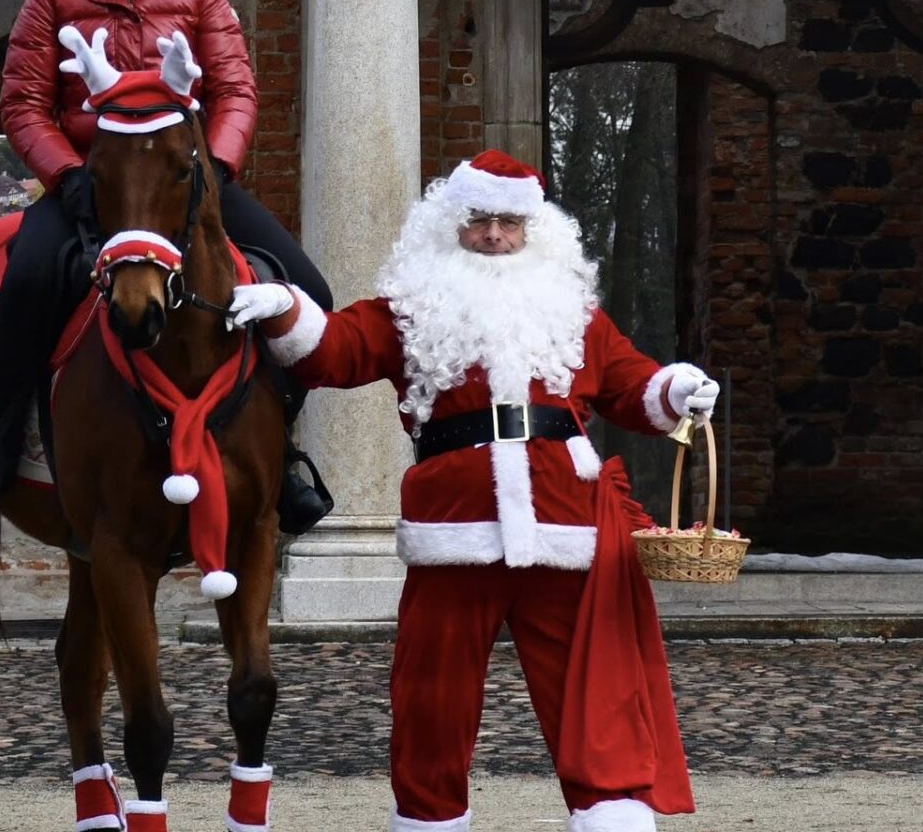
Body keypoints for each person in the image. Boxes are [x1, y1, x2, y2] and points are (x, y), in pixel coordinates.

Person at [227, 150, 716, 832]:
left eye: (510, 223)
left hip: (565, 527)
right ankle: (430, 818)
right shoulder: (410, 308)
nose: (494, 236)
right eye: (480, 219)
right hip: (454, 529)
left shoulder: (575, 312)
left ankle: (610, 814)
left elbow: (632, 384)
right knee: (432, 696)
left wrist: (677, 388)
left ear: (534, 230)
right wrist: (285, 308)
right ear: (449, 222)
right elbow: (335, 351)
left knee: (594, 687)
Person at [0, 0, 333, 529]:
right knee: (25, 283)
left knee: (308, 290)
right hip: (89, 183)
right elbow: (23, 103)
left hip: (187, 181)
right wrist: (68, 175)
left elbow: (236, 92)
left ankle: (284, 451)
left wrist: (215, 169)